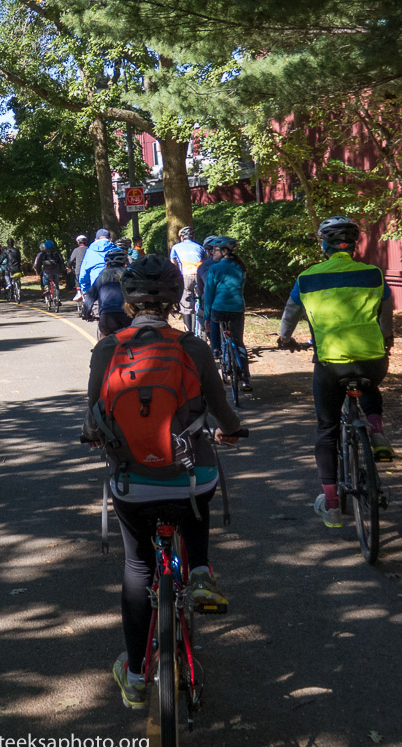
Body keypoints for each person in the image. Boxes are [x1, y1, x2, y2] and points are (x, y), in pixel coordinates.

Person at [81, 254, 243, 710]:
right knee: (197, 498)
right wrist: (230, 431)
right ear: (174, 299)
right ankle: (200, 573)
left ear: (129, 302)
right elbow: (222, 410)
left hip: (133, 484)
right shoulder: (192, 348)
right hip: (191, 478)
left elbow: (93, 416)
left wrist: (93, 436)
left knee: (137, 567)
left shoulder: (107, 349)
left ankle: (134, 675)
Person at [277, 216, 395, 529]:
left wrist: (285, 338)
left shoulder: (307, 278)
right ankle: (377, 429)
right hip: (373, 359)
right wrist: (386, 339)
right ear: (355, 246)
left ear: (323, 245)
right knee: (368, 379)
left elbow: (290, 313)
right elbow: (386, 314)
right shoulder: (373, 274)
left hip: (331, 363)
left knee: (327, 427)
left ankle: (331, 504)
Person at [203, 236, 252, 391]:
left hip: (219, 308)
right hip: (237, 308)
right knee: (238, 341)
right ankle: (245, 378)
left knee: (217, 326)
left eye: (214, 250)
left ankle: (218, 351)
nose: (211, 253)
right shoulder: (240, 267)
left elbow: (209, 294)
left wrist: (206, 316)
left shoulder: (214, 269)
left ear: (224, 251)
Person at [81, 247, 132, 337]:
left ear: (107, 265)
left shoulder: (101, 278)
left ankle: (100, 350)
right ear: (124, 264)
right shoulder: (130, 277)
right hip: (128, 315)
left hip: (107, 316)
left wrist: (86, 313)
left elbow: (90, 297)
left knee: (103, 342)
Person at [169, 225, 207, 334]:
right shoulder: (200, 247)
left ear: (182, 238)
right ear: (193, 237)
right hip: (200, 275)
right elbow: (205, 262)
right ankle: (204, 325)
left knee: (185, 303)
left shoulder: (176, 247)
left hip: (186, 275)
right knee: (202, 298)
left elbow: (173, 263)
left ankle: (188, 331)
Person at [79, 229, 117, 295]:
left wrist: (85, 289)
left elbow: (83, 275)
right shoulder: (116, 250)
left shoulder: (90, 252)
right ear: (110, 239)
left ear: (95, 240)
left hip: (96, 289)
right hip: (115, 289)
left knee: (91, 304)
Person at [69, 235, 89, 300]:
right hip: (88, 269)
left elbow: (71, 260)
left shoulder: (76, 250)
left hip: (79, 269)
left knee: (77, 279)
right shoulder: (89, 249)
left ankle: (78, 292)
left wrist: (68, 266)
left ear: (78, 242)